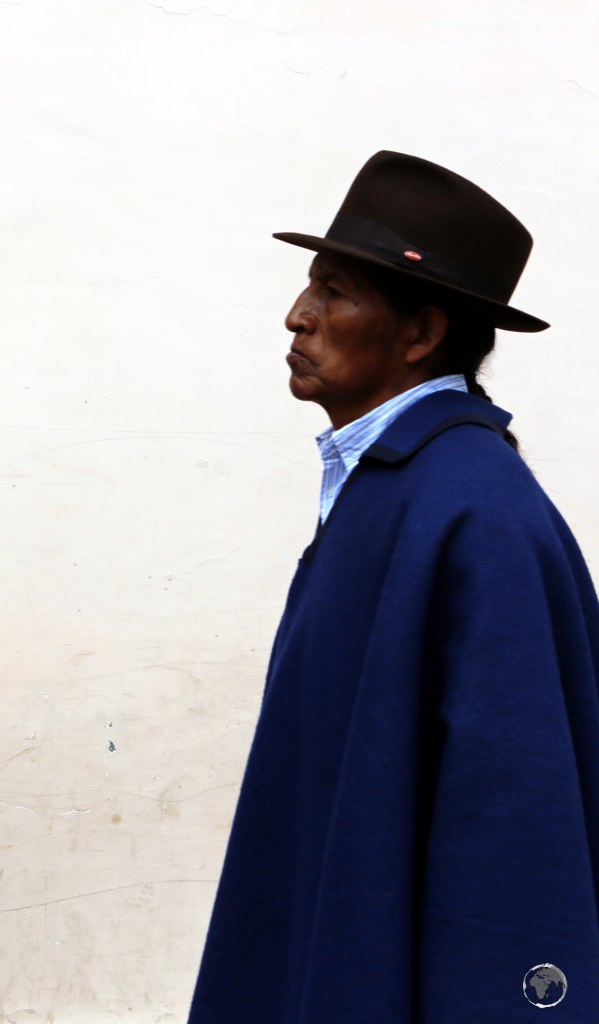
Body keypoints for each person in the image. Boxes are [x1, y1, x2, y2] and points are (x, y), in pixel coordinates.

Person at [185, 151, 599, 1022]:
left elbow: (517, 832)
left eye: (334, 292)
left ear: (418, 336)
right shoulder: (391, 489)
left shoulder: (473, 517)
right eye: (310, 284)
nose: (296, 315)